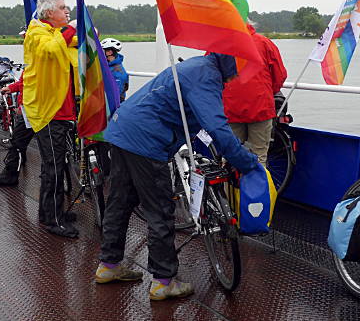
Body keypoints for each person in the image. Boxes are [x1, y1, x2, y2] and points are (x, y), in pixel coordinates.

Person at [95, 53, 262, 301]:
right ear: (231, 60)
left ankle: (108, 267)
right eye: (241, 64)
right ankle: (163, 281)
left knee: (120, 202)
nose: (241, 72)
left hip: (122, 130)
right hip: (146, 141)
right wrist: (247, 162)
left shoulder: (196, 65)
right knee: (160, 211)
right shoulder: (207, 76)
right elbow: (217, 127)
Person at [23, 0, 80, 238]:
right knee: (54, 166)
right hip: (48, 111)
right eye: (62, 8)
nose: (67, 11)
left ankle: (51, 212)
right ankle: (53, 220)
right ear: (48, 13)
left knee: (58, 164)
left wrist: (88, 33)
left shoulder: (55, 33)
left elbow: (73, 42)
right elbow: (50, 49)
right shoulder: (37, 33)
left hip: (61, 109)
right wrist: (70, 29)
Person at [223, 23, 287, 166]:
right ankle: (258, 187)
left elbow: (209, 74)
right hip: (260, 107)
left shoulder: (220, 44)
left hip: (230, 108)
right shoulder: (264, 43)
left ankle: (229, 187)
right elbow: (280, 75)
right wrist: (267, 92)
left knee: (231, 157)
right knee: (259, 156)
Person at [0, 72, 34, 187]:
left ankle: (10, 175)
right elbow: (25, 83)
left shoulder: (37, 60)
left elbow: (31, 85)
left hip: (32, 110)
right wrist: (11, 88)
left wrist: (22, 104)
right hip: (44, 109)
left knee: (17, 140)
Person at [100, 38, 129, 102]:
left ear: (109, 52)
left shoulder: (118, 72)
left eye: (102, 50)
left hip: (114, 106)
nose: (100, 53)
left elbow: (116, 95)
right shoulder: (108, 65)